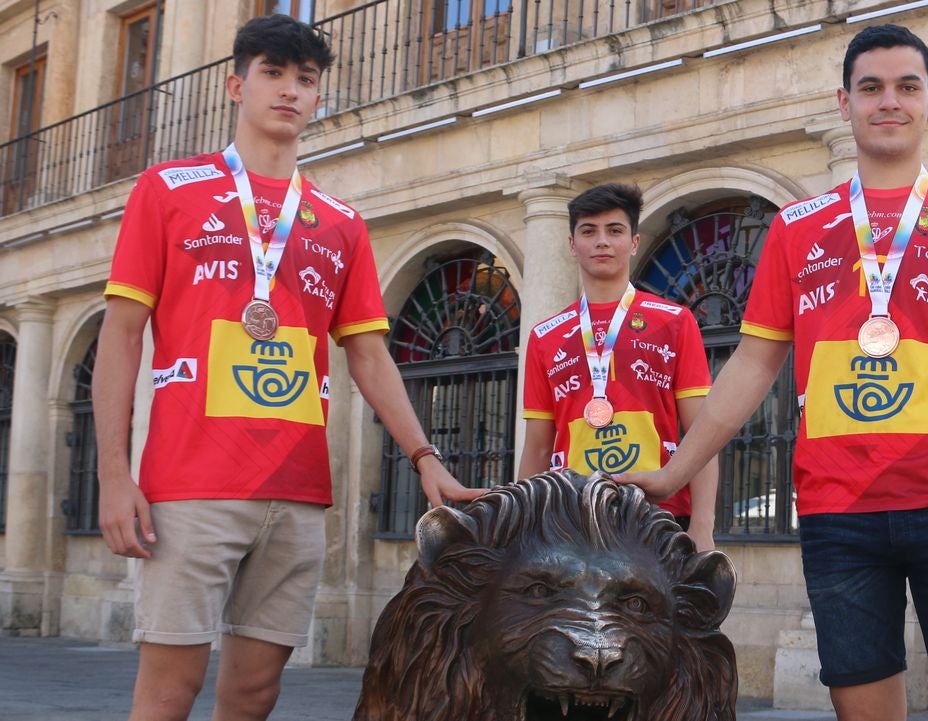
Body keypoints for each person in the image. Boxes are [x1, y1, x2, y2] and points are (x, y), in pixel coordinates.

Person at [617, 24, 928, 721]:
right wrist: (673, 473)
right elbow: (752, 368)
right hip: (837, 513)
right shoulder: (797, 227)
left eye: (907, 87)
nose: (890, 101)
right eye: (871, 87)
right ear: (843, 102)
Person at [93, 15, 483, 721]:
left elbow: (368, 352)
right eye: (274, 73)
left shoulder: (339, 220)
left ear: (318, 99)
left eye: (306, 80)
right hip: (189, 487)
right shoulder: (168, 189)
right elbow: (120, 336)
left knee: (254, 695)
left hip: (297, 493)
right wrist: (115, 477)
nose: (290, 91)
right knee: (166, 693)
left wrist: (424, 455)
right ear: (237, 84)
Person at [518, 183, 718, 551]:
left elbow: (701, 433)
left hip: (659, 514)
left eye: (614, 230)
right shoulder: (545, 336)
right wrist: (523, 532)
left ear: (634, 242)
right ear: (571, 244)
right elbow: (537, 447)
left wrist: (703, 527)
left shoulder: (674, 321)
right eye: (588, 231)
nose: (602, 242)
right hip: (570, 517)